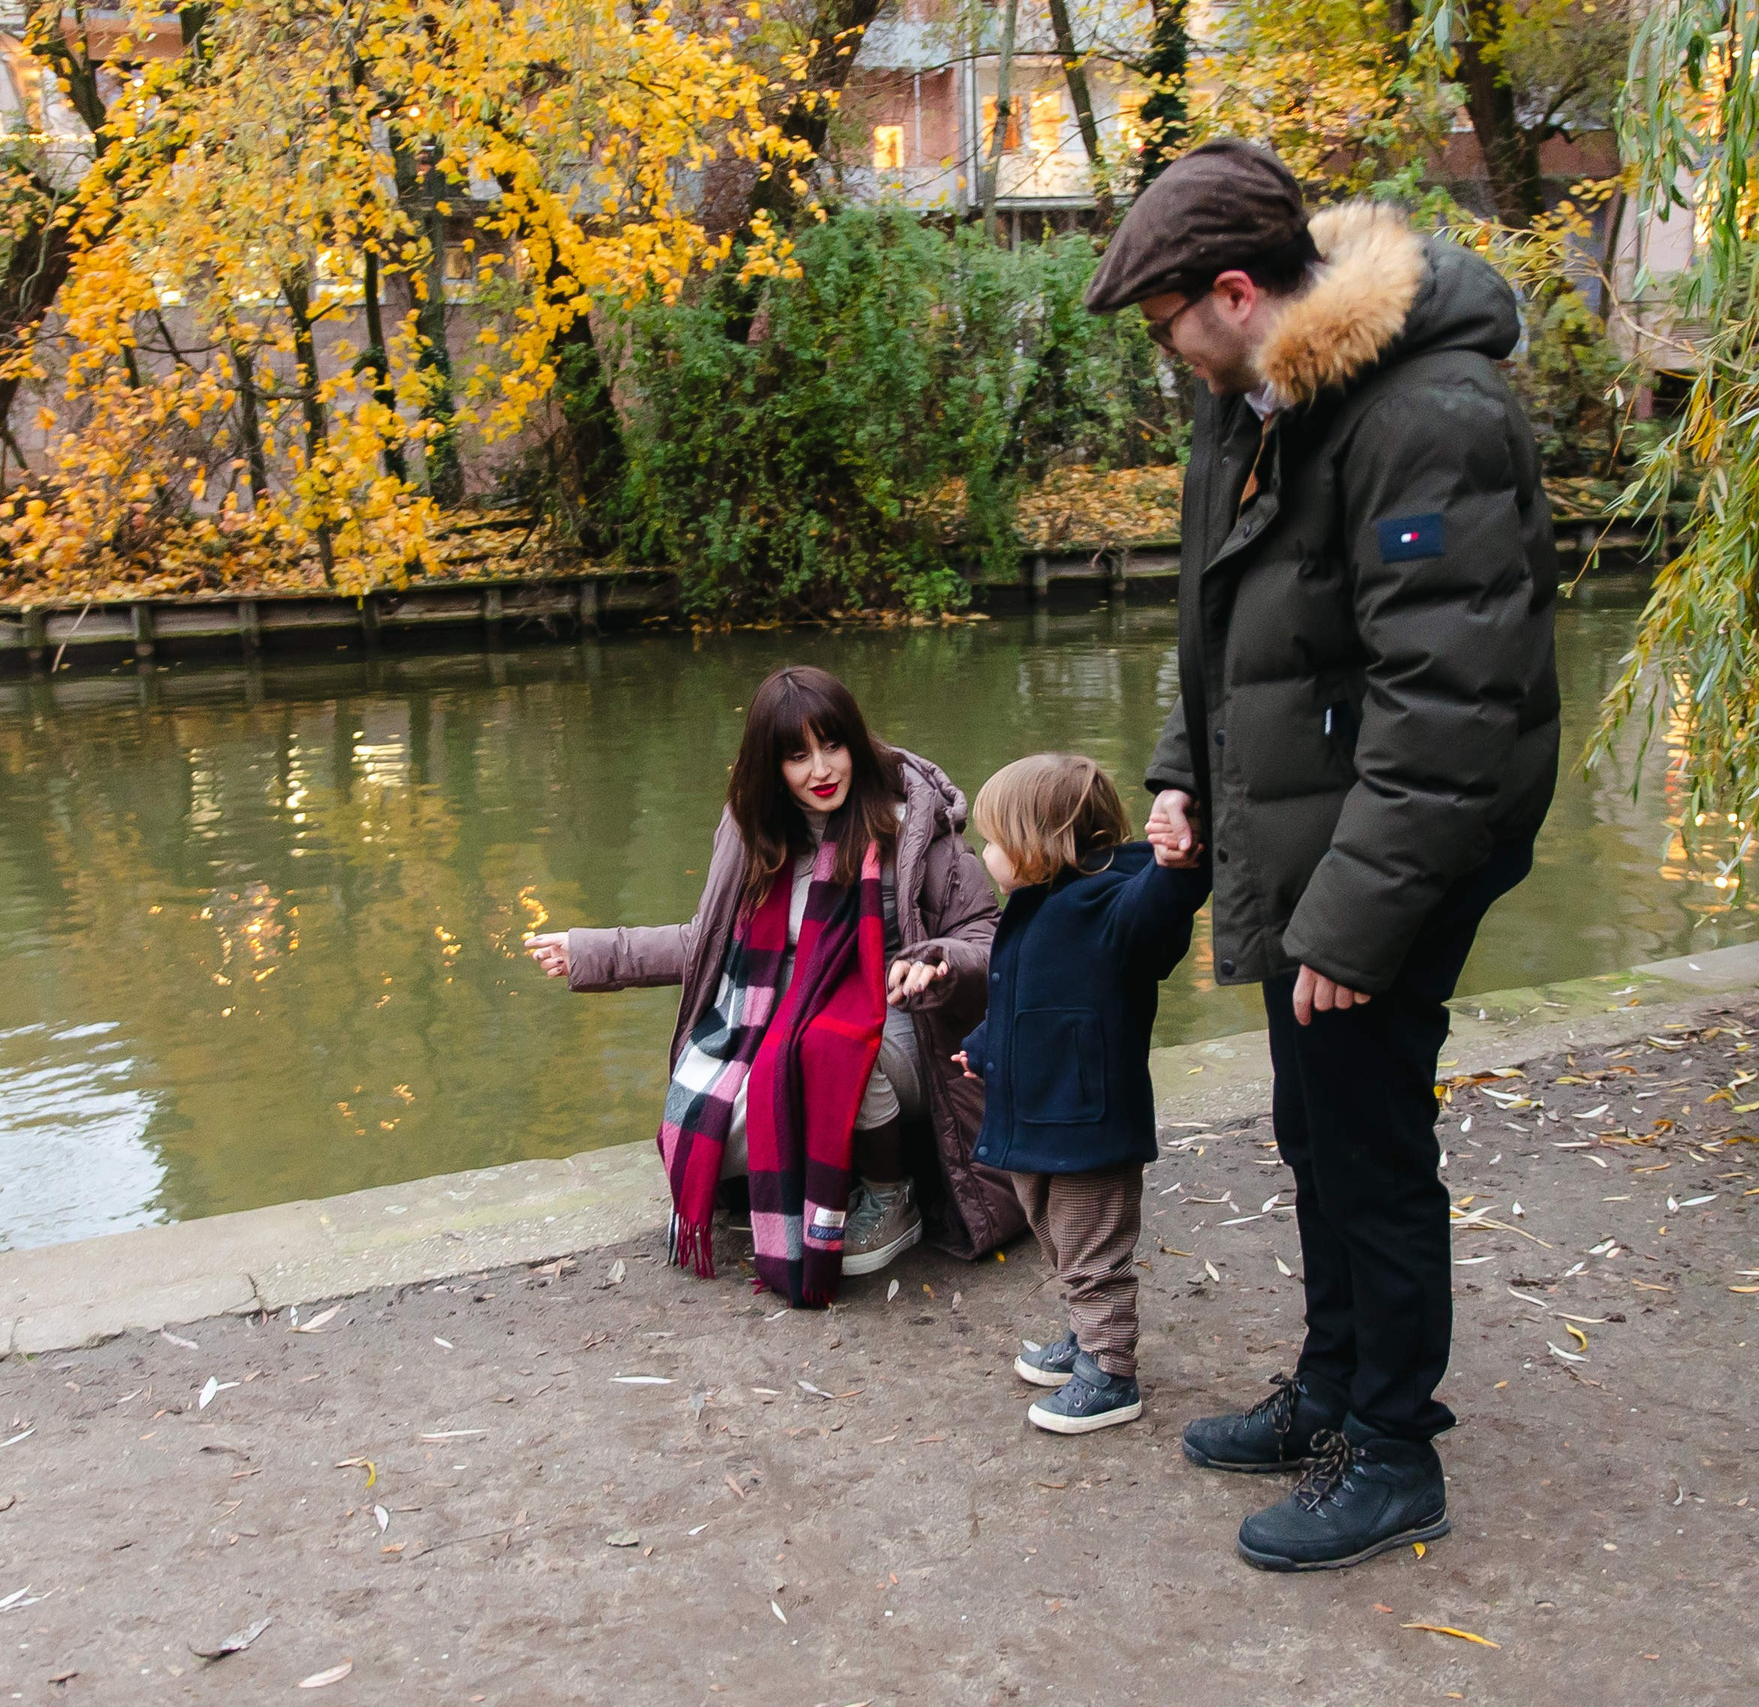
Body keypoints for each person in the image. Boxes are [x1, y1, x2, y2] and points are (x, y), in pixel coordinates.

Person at [1084, 140, 1561, 1570]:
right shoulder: (1260, 396)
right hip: (1314, 812)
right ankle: (1335, 1383)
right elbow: (1227, 624)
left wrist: (1348, 926)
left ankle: (1395, 1448)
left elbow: (1455, 707)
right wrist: (1184, 775)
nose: (1170, 358)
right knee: (1316, 1122)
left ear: (1233, 292)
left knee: (1369, 1137)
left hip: (1404, 840)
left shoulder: (1434, 415)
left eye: (1168, 328)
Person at [527, 665, 1018, 1303]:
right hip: (777, 1017)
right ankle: (820, 1178)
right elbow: (705, 942)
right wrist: (594, 951)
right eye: (797, 754)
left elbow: (989, 934)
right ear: (771, 765)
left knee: (827, 1047)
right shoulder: (753, 836)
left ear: (855, 742)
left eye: (832, 745)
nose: (821, 768)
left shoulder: (912, 828)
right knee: (716, 1121)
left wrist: (938, 960)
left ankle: (892, 1197)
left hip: (900, 1018)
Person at [954, 754, 1209, 1436]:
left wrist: (1178, 865)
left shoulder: (1113, 906)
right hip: (1037, 1115)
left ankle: (1110, 1370)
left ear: (1045, 844)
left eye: (996, 840)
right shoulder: (1034, 908)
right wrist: (982, 1047)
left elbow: (1161, 908)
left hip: (1088, 1123)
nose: (986, 853)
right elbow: (1022, 1001)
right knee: (1058, 1236)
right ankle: (1083, 1335)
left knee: (1092, 1248)